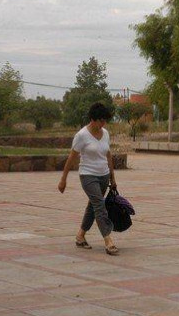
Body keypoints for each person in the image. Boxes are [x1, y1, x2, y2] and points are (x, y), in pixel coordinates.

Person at [58, 102, 119, 255]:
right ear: (93, 119)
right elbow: (71, 158)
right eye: (101, 120)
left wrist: (113, 177)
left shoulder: (105, 133)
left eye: (105, 120)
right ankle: (108, 240)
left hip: (104, 175)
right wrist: (63, 179)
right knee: (99, 205)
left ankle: (80, 236)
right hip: (88, 175)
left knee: (93, 206)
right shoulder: (81, 135)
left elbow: (108, 155)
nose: (103, 123)